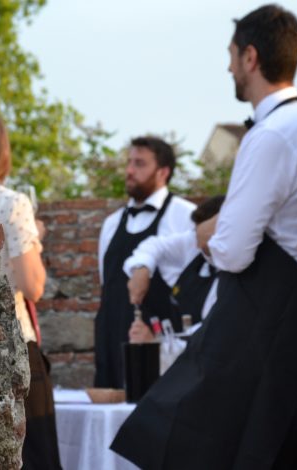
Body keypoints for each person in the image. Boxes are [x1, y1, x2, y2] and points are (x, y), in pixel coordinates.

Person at [111, 5, 297, 469]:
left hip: (271, 310)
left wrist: (214, 228)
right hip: (282, 309)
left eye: (231, 55)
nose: (227, 66)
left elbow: (229, 251)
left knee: (192, 434)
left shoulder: (273, 135)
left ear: (250, 57)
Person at [0, 108, 61, 470]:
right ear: (2, 149)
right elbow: (33, 285)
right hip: (15, 345)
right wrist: (33, 239)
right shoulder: (11, 202)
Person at [94, 136, 196, 388]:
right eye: (129, 162)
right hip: (113, 347)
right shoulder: (111, 224)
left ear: (163, 171)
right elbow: (107, 285)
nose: (129, 170)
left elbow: (193, 291)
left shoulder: (185, 215)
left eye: (139, 163)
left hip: (160, 354)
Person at [124, 195, 225, 342]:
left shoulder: (230, 279)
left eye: (201, 240)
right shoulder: (194, 245)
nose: (196, 246)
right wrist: (141, 269)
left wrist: (155, 343)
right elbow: (154, 245)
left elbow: (210, 333)